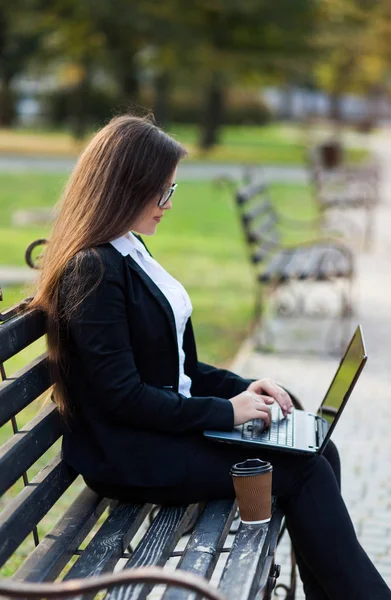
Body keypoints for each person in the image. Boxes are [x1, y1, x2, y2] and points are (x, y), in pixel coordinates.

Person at [31, 114, 390, 600]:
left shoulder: (128, 249)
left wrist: (243, 389)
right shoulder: (93, 270)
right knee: (304, 470)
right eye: (161, 192)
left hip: (156, 433)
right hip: (131, 455)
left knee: (317, 448)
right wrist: (226, 413)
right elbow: (122, 397)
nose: (167, 205)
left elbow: (182, 369)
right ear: (122, 187)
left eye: (171, 191)